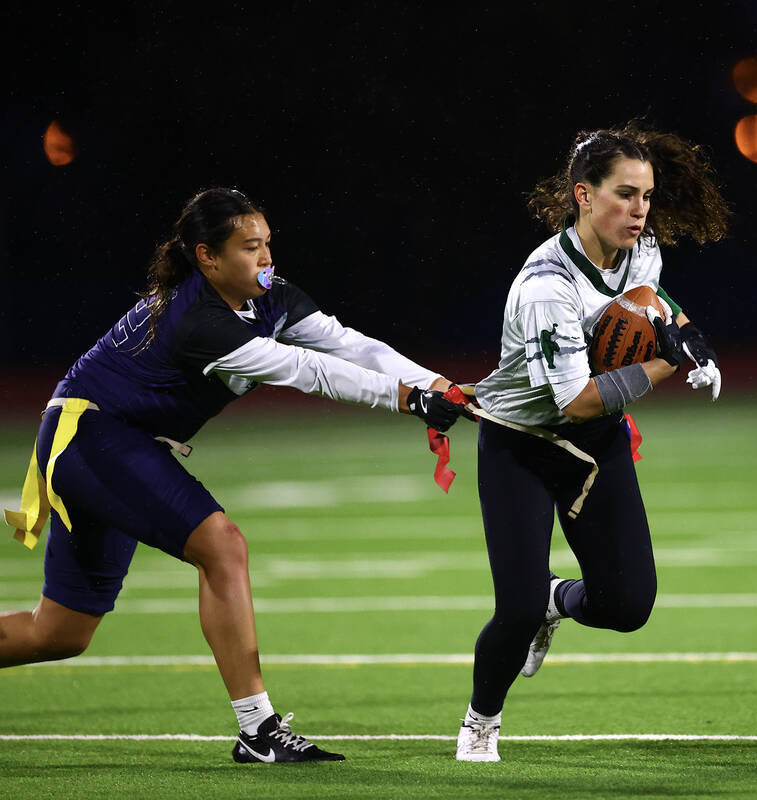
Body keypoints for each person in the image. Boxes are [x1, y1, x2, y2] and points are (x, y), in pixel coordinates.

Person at [1, 188, 468, 763]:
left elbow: (350, 346)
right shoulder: (199, 320)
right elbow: (305, 370)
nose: (266, 259)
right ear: (207, 257)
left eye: (268, 244)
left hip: (106, 440)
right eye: (250, 248)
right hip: (90, 437)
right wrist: (407, 399)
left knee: (60, 634)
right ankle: (258, 730)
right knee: (222, 546)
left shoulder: (267, 294)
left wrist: (434, 383)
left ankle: (257, 732)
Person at [454, 123, 730, 762]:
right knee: (514, 612)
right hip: (522, 442)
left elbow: (648, 296)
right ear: (582, 194)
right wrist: (670, 363)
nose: (639, 211)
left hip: (595, 443)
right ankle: (480, 721)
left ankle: (560, 599)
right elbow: (574, 400)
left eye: (647, 197)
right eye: (625, 195)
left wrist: (687, 331)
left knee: (629, 604)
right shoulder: (546, 287)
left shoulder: (641, 246)